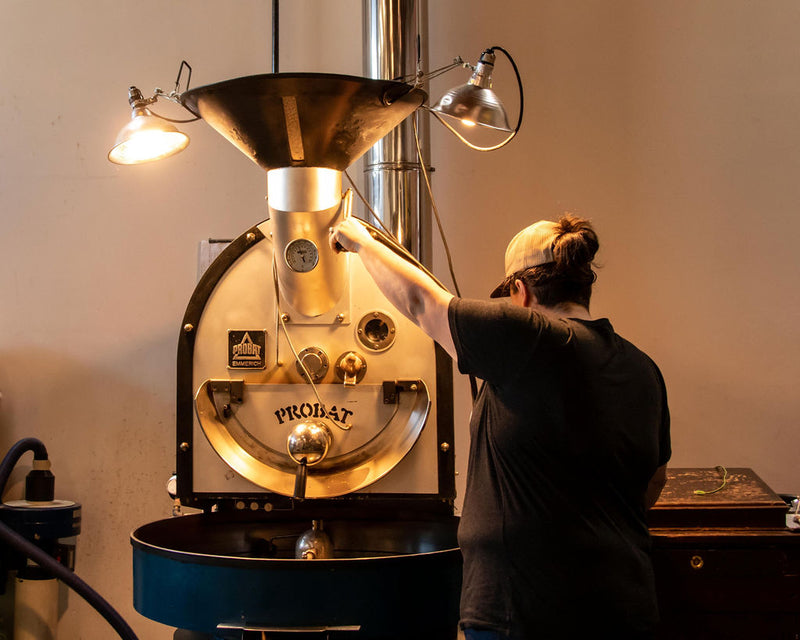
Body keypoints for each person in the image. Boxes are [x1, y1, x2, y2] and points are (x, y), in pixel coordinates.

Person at [329, 214, 671, 640]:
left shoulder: (526, 335)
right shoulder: (642, 367)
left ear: (520, 291)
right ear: (583, 286)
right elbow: (654, 479)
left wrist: (359, 241)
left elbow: (422, 303)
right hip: (625, 609)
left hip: (524, 613)